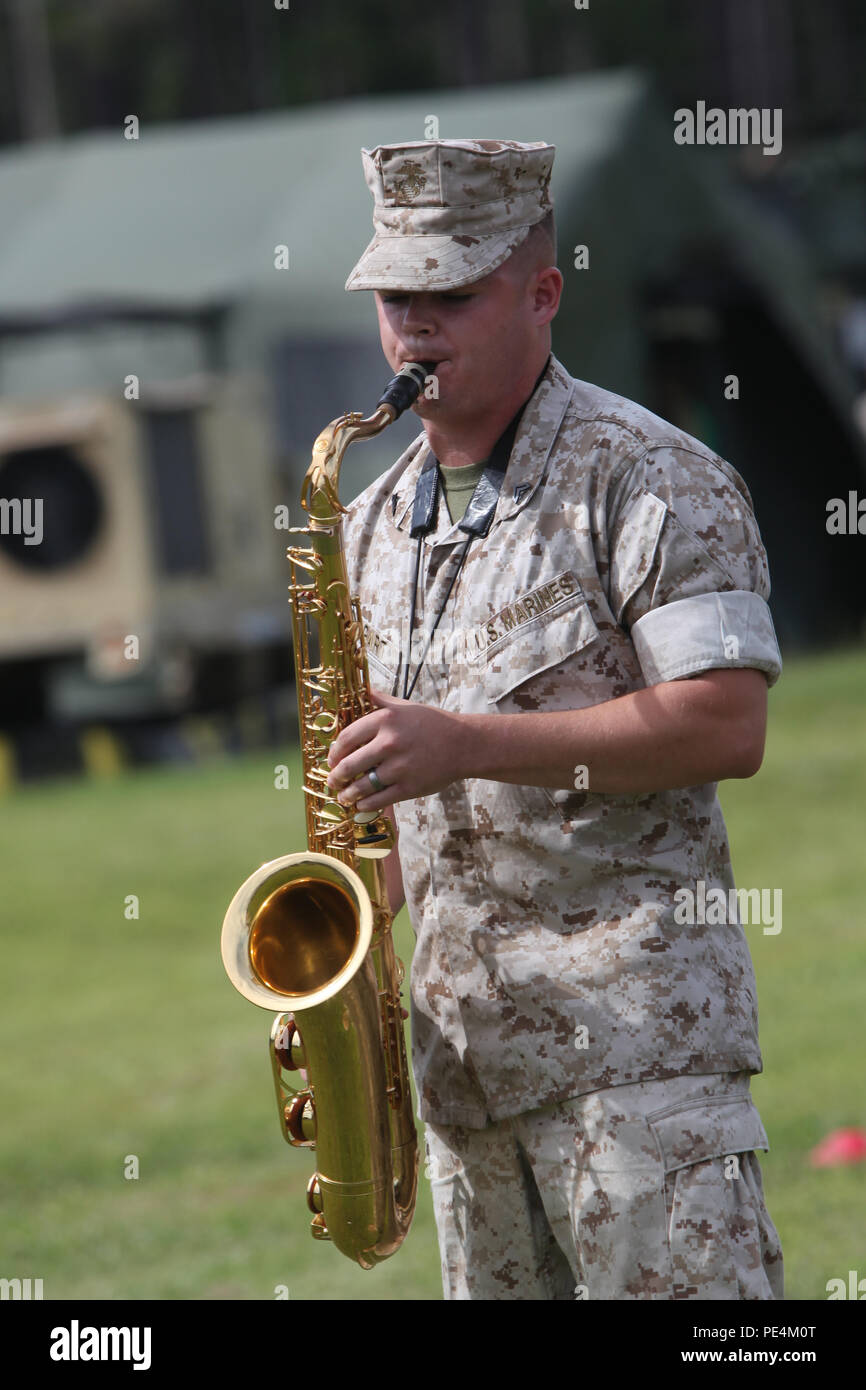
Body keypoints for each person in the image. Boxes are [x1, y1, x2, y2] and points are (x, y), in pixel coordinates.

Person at [325, 138, 784, 1300]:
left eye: (451, 295)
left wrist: (465, 743)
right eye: (395, 297)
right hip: (464, 1075)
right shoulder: (367, 522)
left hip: (634, 1063)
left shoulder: (650, 476)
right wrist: (340, 918)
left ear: (541, 294)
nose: (414, 328)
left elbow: (725, 724)